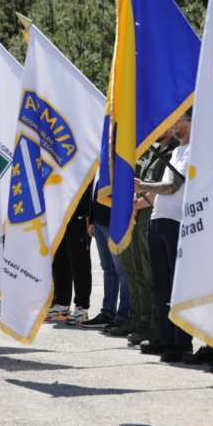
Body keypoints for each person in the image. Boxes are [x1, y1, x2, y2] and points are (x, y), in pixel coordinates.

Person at [136, 111, 192, 363]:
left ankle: (180, 342)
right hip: (159, 219)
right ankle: (163, 336)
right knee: (160, 285)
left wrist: (143, 185)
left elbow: (173, 186)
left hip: (176, 222)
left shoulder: (192, 152)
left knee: (174, 285)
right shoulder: (175, 153)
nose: (173, 125)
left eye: (177, 121)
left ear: (189, 123)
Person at [116, 129, 178, 344]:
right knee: (135, 272)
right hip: (137, 217)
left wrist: (135, 204)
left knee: (150, 273)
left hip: (148, 215)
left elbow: (159, 187)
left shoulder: (172, 153)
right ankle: (139, 320)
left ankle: (153, 326)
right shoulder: (151, 153)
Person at [83, 180, 132, 331]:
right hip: (99, 222)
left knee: (122, 271)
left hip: (115, 223)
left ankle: (123, 315)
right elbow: (95, 192)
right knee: (108, 269)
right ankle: (107, 312)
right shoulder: (103, 162)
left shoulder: (124, 158)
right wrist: (91, 220)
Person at [49, 191, 92, 323]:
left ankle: (82, 307)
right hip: (62, 214)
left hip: (80, 214)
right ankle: (62, 304)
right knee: (60, 260)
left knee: (79, 263)